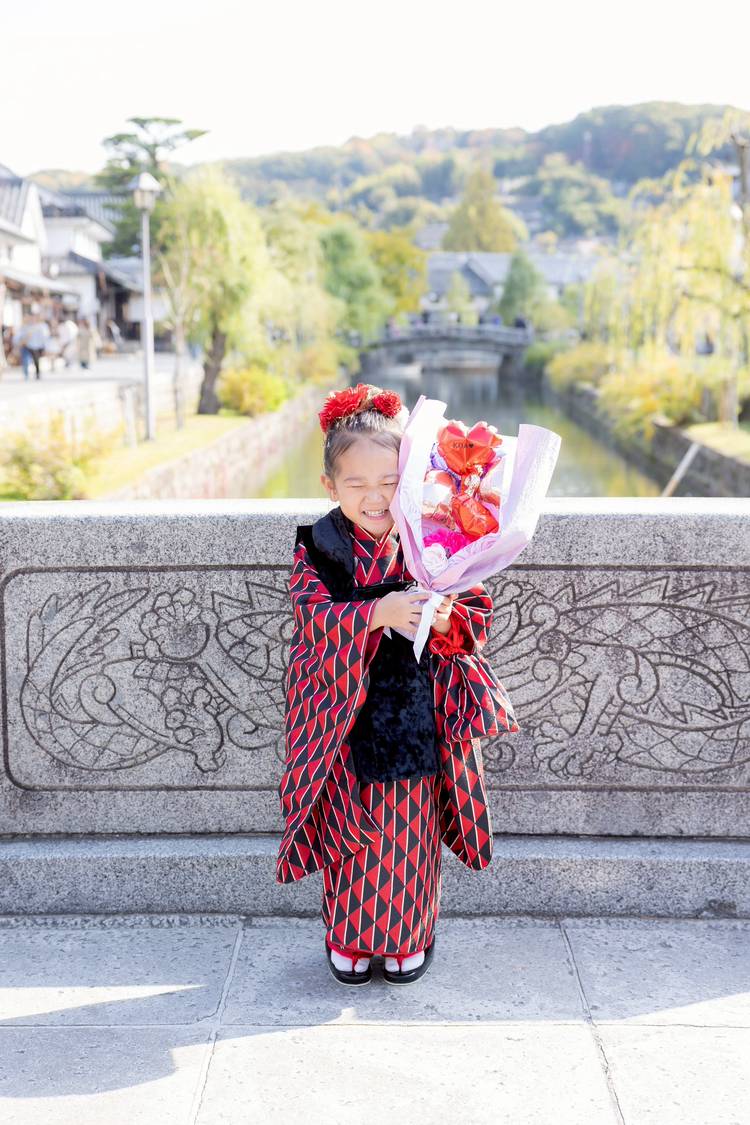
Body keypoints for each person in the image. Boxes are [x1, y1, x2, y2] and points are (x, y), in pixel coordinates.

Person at [276, 383, 519, 987]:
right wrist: (377, 613)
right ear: (330, 485)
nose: (375, 496)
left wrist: (446, 616)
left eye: (389, 481)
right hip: (343, 718)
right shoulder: (319, 547)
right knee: (350, 829)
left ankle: (410, 937)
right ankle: (349, 939)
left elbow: (474, 609)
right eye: (356, 483)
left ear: (409, 479)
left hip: (415, 711)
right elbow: (310, 617)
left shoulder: (430, 534)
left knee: (411, 829)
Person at [14, 314, 50, 379]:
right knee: (26, 359)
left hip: (36, 346)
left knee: (36, 360)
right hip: (27, 345)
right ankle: (26, 374)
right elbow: (18, 337)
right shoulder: (25, 327)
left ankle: (37, 373)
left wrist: (44, 347)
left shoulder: (40, 327)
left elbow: (44, 337)